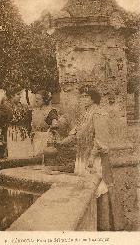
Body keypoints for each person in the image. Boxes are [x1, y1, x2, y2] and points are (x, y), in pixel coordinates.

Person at [56, 85, 126, 231]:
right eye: (81, 96)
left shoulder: (99, 114)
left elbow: (100, 140)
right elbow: (75, 133)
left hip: (95, 159)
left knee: (98, 187)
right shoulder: (85, 114)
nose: (82, 99)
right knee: (86, 189)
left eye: (86, 96)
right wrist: (61, 143)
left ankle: (103, 224)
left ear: (94, 98)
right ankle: (89, 223)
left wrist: (91, 157)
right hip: (82, 156)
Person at [31, 89, 59, 160]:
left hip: (45, 138)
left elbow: (54, 122)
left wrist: (54, 124)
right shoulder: (35, 111)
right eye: (35, 99)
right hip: (36, 137)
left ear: (45, 100)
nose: (36, 101)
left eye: (38, 99)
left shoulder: (50, 111)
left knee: (44, 158)